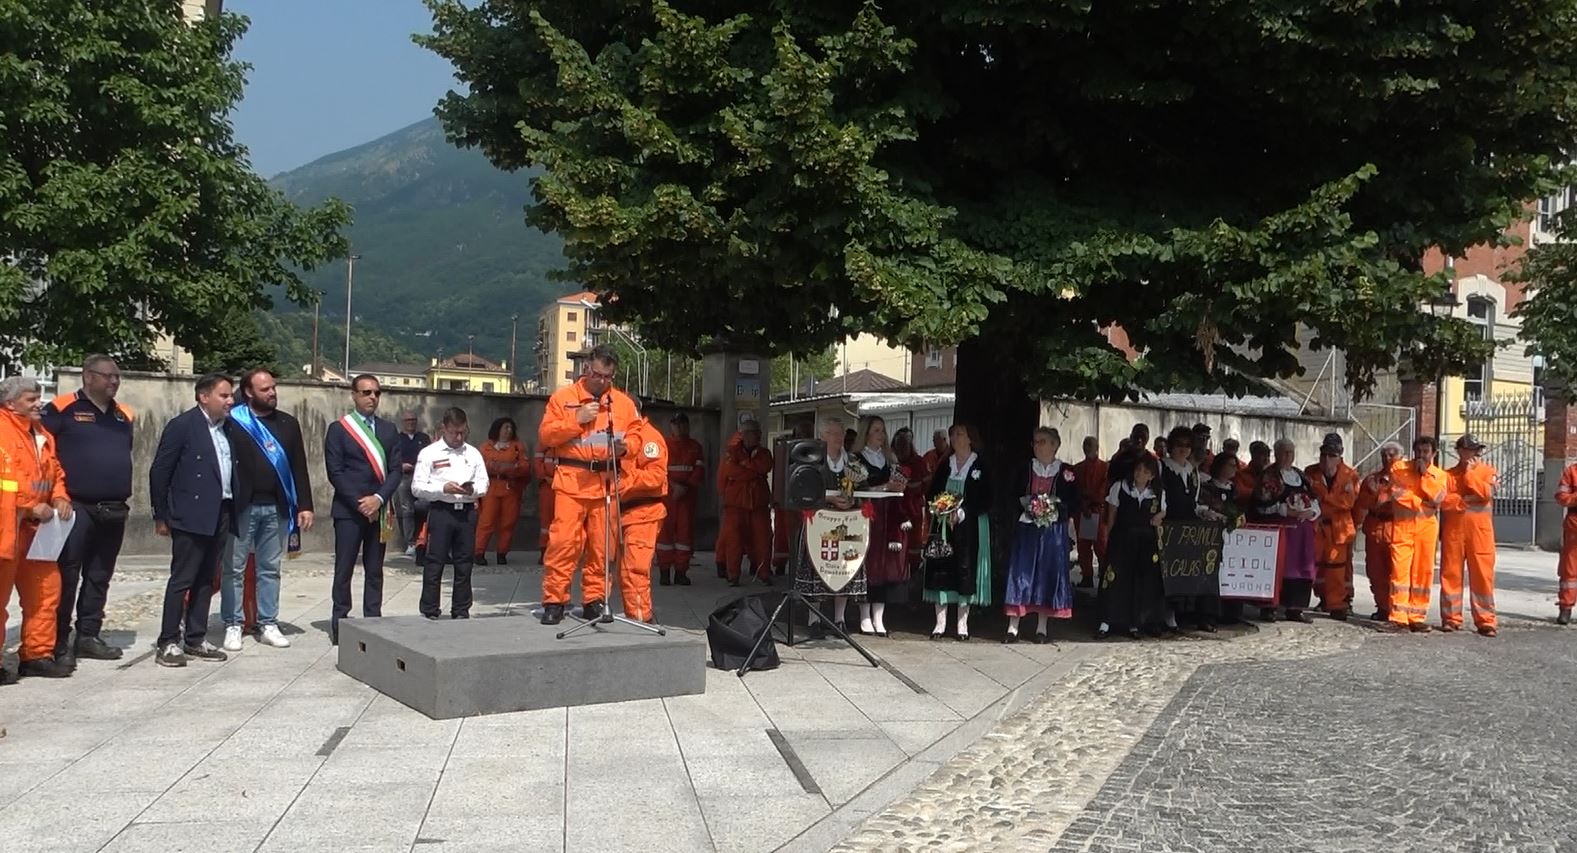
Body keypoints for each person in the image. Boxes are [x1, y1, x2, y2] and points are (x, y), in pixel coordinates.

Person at [539, 346, 639, 625]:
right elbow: (546, 436)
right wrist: (576, 419)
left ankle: (595, 600)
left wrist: (626, 446)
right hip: (571, 481)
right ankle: (555, 601)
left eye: (608, 377)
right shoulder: (563, 399)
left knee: (602, 547)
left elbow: (637, 435)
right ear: (586, 369)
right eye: (597, 374)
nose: (602, 381)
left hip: (605, 484)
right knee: (563, 543)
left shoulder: (623, 404)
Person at [44, 355, 132, 666]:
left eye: (117, 376)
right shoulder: (61, 408)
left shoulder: (123, 414)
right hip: (75, 506)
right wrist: (56, 495)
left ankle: (89, 635)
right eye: (108, 376)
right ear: (88, 377)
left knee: (99, 574)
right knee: (67, 575)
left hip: (114, 507)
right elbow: (44, 454)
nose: (114, 382)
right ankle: (58, 639)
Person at [149, 373, 238, 667]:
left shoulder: (228, 428)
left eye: (231, 395)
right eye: (224, 395)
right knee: (183, 578)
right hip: (190, 513)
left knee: (206, 578)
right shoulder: (183, 426)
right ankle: (168, 641)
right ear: (204, 396)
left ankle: (196, 637)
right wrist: (161, 514)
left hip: (221, 510)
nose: (231, 401)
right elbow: (160, 472)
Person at [222, 369, 313, 652]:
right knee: (234, 568)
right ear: (249, 392)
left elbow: (298, 465)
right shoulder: (233, 421)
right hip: (241, 506)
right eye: (265, 389)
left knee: (270, 568)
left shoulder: (288, 423)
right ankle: (233, 623)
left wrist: (305, 505)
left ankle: (268, 622)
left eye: (273, 387)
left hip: (276, 507)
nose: (272, 393)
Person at [0, 377, 74, 681]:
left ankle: (37, 655)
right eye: (31, 399)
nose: (38, 404)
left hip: (37, 532)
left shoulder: (41, 434)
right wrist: (29, 506)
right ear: (10, 403)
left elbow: (54, 471)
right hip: (7, 528)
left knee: (45, 593)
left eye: (38, 397)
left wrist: (60, 496)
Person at [323, 374, 401, 644]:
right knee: (344, 569)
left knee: (375, 570)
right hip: (349, 511)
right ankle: (340, 623)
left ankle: (373, 620)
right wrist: (360, 502)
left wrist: (378, 499)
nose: (372, 397)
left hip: (379, 510)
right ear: (354, 395)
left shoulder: (389, 430)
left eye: (377, 393)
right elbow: (335, 472)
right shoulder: (339, 429)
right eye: (366, 392)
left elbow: (395, 471)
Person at [411, 407, 488, 620]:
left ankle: (461, 609)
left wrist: (473, 490)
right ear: (444, 428)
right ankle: (430, 608)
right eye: (455, 432)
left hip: (466, 512)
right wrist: (442, 489)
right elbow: (417, 487)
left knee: (464, 563)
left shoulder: (473, 453)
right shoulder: (430, 453)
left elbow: (484, 483)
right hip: (441, 510)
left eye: (463, 432)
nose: (459, 437)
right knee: (435, 561)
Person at [1002, 427, 1077, 643]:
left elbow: (1074, 500)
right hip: (1027, 529)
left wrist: (1055, 508)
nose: (1037, 445)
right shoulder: (1025, 469)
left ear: (1055, 445)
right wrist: (1027, 508)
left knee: (1046, 574)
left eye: (1042, 441)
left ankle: (1041, 628)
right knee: (1020, 573)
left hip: (1052, 532)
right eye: (1035, 442)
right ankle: (1013, 627)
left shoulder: (1066, 471)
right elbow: (1012, 495)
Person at [796, 417, 868, 634]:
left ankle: (839, 619)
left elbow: (864, 490)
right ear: (822, 436)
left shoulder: (852, 462)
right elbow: (803, 490)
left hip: (847, 522)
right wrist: (828, 499)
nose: (839, 438)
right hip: (819, 523)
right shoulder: (812, 460)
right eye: (833, 433)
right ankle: (814, 619)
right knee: (818, 568)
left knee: (844, 567)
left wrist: (853, 500)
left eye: (841, 433)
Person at [924, 423, 992, 641]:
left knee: (965, 567)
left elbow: (986, 498)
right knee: (941, 566)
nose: (954, 437)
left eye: (959, 434)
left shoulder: (979, 465)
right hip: (943, 524)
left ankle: (962, 623)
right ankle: (940, 623)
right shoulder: (946, 464)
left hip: (970, 526)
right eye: (952, 434)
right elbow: (933, 492)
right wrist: (941, 508)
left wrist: (963, 512)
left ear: (970, 438)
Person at [1098, 453, 1166, 639]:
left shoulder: (1158, 493)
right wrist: (1109, 538)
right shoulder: (1120, 487)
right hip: (1122, 539)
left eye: (1145, 471)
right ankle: (1107, 622)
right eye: (1138, 469)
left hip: (1146, 543)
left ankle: (1135, 622)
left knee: (1140, 581)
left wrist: (1159, 516)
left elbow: (1163, 512)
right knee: (1116, 579)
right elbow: (1112, 515)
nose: (1140, 474)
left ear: (1152, 476)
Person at [1385, 435, 1448, 633]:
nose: (1421, 455)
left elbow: (1438, 498)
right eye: (1418, 451)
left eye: (1426, 452)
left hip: (1426, 529)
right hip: (1403, 527)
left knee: (1423, 572)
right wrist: (1423, 503)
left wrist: (1425, 475)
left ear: (1434, 453)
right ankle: (1398, 617)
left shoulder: (1439, 475)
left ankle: (1417, 617)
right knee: (1399, 572)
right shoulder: (1399, 468)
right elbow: (1398, 494)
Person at [854, 416, 910, 635]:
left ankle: (879, 616)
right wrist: (884, 487)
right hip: (867, 515)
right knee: (867, 563)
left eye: (882, 430)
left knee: (884, 565)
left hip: (887, 516)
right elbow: (858, 488)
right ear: (866, 432)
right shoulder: (857, 459)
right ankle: (864, 615)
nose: (881, 434)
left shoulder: (889, 459)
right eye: (876, 430)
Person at [1253, 438, 1319, 623]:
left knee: (1301, 568)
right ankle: (1269, 607)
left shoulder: (1301, 476)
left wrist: (1312, 511)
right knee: (1277, 568)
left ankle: (1295, 608)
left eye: (1291, 452)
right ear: (1276, 454)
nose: (1289, 456)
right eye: (1284, 452)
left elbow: (1314, 498)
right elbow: (1261, 504)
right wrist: (1285, 510)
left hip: (1302, 533)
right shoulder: (1269, 476)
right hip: (1280, 532)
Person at [1439, 434, 1498, 636]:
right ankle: (1451, 618)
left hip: (1480, 534)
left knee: (1482, 576)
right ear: (1460, 451)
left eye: (1476, 450)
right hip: (1454, 533)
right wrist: (1464, 501)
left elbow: (1486, 494)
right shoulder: (1448, 475)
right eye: (1469, 450)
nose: (1474, 453)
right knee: (1450, 574)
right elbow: (1443, 501)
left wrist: (1470, 474)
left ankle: (1486, 621)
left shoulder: (1487, 471)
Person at [1159, 426, 1214, 632]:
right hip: (1168, 526)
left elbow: (1193, 502)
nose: (1183, 449)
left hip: (1187, 528)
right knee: (1166, 573)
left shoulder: (1192, 472)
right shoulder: (1162, 467)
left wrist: (1205, 512)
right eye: (1179, 445)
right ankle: (1164, 613)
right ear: (1171, 446)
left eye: (1187, 445)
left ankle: (1180, 612)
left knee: (1183, 572)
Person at [615, 403, 667, 623]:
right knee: (625, 571)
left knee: (634, 570)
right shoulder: (624, 437)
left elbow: (656, 476)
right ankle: (636, 616)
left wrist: (622, 482)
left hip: (643, 512)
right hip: (626, 513)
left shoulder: (649, 437)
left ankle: (641, 620)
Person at [1305, 433, 1358, 621]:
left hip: (1339, 528)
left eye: (1332, 455)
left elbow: (1347, 502)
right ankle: (1323, 598)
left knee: (1337, 568)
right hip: (1318, 527)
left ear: (1340, 456)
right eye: (1324, 454)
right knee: (1317, 566)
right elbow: (1308, 499)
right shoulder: (1310, 472)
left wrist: (1324, 497)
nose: (1327, 459)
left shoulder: (1350, 475)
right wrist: (1332, 500)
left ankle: (1338, 604)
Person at [717, 420, 774, 587]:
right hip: (735, 505)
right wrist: (753, 472)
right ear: (744, 435)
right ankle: (733, 575)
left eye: (756, 433)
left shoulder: (764, 453)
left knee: (763, 541)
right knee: (733, 541)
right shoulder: (731, 452)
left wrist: (745, 466)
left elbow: (765, 467)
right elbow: (730, 471)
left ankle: (764, 573)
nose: (756, 436)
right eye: (751, 433)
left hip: (759, 505)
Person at [1354, 442, 1402, 621]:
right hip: (1375, 529)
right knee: (1375, 572)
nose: (1387, 459)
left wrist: (1385, 501)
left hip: (1396, 530)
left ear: (1400, 457)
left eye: (1391, 455)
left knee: (1397, 573)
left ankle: (1396, 608)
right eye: (1384, 455)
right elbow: (1362, 503)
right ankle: (1382, 607)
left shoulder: (1405, 479)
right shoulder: (1372, 480)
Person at [657, 412, 705, 584]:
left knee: (685, 535)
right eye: (676, 424)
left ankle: (680, 573)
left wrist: (685, 487)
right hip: (667, 495)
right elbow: (658, 470)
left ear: (688, 426)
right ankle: (664, 572)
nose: (679, 427)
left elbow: (699, 470)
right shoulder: (663, 445)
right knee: (664, 535)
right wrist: (673, 486)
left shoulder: (695, 447)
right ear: (671, 426)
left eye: (682, 424)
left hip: (687, 496)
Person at [475, 416, 529, 566]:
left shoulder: (517, 446)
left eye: (511, 428)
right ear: (497, 429)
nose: (508, 430)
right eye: (505, 427)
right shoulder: (486, 446)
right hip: (491, 487)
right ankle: (479, 552)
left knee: (508, 522)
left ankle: (502, 553)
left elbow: (525, 467)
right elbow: (479, 466)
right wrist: (503, 467)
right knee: (486, 521)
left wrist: (507, 468)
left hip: (510, 488)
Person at [1199, 452, 1245, 624]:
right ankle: (1208, 614)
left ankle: (1231, 612)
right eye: (1230, 465)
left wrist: (1238, 519)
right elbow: (1203, 508)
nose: (1234, 469)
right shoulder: (1208, 487)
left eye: (1235, 466)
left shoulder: (1234, 489)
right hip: (1212, 537)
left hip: (1233, 540)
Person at [770, 420, 815, 575]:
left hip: (807, 500)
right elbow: (778, 473)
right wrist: (776, 497)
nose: (805, 436)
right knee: (783, 533)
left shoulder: (816, 451)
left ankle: (802, 566)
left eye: (808, 434)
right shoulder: (785, 449)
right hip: (786, 498)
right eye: (802, 433)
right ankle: (780, 564)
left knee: (805, 534)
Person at [1071, 436, 1108, 589]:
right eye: (1085, 445)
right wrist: (1082, 504)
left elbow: (1104, 490)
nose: (1087, 448)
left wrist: (1090, 502)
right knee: (1084, 546)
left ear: (1097, 447)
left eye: (1090, 445)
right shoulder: (1077, 468)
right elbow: (1074, 490)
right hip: (1083, 511)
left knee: (1101, 545)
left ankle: (1104, 575)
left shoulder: (1105, 468)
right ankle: (1087, 576)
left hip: (1097, 510)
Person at [393, 410, 431, 559]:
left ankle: (424, 540)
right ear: (403, 422)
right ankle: (410, 543)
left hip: (421, 478)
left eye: (413, 420)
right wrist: (401, 465)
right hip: (404, 478)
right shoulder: (397, 439)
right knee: (406, 510)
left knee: (425, 507)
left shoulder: (424, 438)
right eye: (408, 420)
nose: (411, 423)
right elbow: (391, 458)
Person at [892, 428, 929, 572]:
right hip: (895, 509)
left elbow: (927, 485)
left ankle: (913, 570)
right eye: (899, 445)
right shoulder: (891, 462)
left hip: (914, 509)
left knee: (914, 541)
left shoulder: (919, 462)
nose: (902, 449)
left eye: (905, 445)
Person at [1555, 458, 1577, 625]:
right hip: (1574, 527)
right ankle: (1566, 608)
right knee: (1569, 570)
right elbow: (1561, 497)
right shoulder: (1572, 471)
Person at [531, 443, 558, 565]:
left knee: (563, 521)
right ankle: (544, 551)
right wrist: (545, 477)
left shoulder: (567, 444)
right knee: (546, 522)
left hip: (565, 486)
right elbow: (537, 465)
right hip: (547, 486)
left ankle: (559, 552)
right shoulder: (543, 446)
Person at [1236, 440, 1272, 511]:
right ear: (1253, 456)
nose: (1266, 459)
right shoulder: (1240, 474)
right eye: (1263, 455)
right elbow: (1240, 493)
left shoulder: (1274, 474)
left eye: (1268, 455)